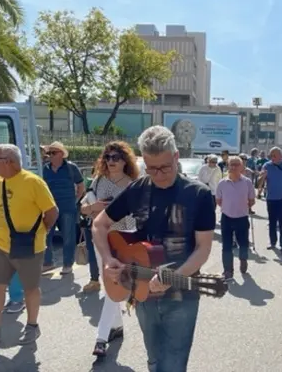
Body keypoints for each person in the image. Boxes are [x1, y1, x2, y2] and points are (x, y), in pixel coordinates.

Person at [91, 126, 215, 371]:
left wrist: (172, 277)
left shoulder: (199, 195)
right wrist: (108, 260)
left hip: (181, 295)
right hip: (142, 292)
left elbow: (203, 249)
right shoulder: (138, 189)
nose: (158, 175)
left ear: (176, 157)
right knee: (154, 360)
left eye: (165, 167)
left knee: (173, 364)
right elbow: (99, 224)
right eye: (151, 168)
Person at [0, 144, 58, 350]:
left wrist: (38, 231)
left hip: (29, 247)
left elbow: (52, 212)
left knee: (30, 289)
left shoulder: (33, 182)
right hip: (1, 245)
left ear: (8, 161)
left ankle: (32, 325)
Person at [80, 141, 139, 358]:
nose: (111, 161)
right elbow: (84, 208)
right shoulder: (98, 181)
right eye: (108, 157)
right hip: (101, 239)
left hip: (123, 239)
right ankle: (117, 326)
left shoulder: (133, 184)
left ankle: (101, 338)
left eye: (115, 158)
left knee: (113, 284)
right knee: (109, 285)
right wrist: (92, 208)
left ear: (125, 160)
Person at [42, 141, 85, 274]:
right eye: (49, 153)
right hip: (49, 208)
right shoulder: (45, 169)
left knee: (68, 236)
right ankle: (48, 262)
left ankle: (67, 264)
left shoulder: (71, 168)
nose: (50, 156)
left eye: (53, 153)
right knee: (45, 236)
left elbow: (81, 186)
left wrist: (75, 200)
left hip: (67, 207)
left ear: (61, 154)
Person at [216, 156, 255, 280]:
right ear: (227, 166)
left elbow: (252, 200)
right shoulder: (222, 183)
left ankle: (243, 260)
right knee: (226, 246)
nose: (233, 167)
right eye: (231, 165)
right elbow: (219, 201)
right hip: (226, 217)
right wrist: (229, 207)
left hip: (242, 217)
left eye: (236, 165)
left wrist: (242, 205)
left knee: (243, 244)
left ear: (241, 167)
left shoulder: (247, 182)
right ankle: (228, 271)